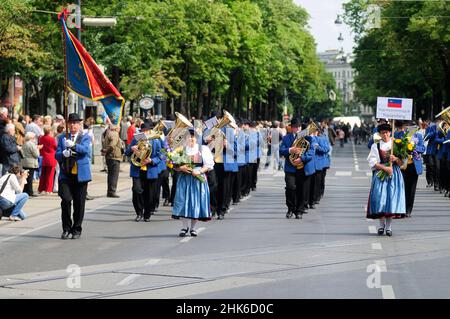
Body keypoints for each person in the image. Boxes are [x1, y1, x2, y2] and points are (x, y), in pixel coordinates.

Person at [55, 113, 92, 239]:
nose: (72, 125)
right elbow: (57, 154)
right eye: (70, 122)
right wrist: (63, 154)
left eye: (75, 123)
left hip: (80, 174)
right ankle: (66, 228)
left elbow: (86, 150)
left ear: (79, 124)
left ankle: (76, 229)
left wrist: (74, 145)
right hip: (66, 174)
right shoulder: (62, 138)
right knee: (65, 200)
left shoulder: (85, 136)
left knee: (79, 203)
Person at [172, 127, 214, 237]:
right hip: (184, 179)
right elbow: (174, 165)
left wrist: (199, 171)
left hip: (197, 179)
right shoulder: (181, 149)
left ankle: (193, 228)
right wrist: (181, 168)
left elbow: (209, 165)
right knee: (183, 201)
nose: (191, 139)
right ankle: (184, 227)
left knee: (196, 202)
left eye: (193, 137)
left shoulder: (203, 149)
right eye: (189, 137)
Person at [367, 122, 406, 236]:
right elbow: (372, 162)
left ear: (390, 132)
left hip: (394, 174)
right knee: (380, 199)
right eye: (383, 133)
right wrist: (384, 168)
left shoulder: (396, 144)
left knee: (391, 199)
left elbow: (402, 163)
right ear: (379, 134)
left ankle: (389, 227)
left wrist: (396, 159)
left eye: (387, 132)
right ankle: (381, 225)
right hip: (381, 174)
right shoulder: (376, 145)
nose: (385, 135)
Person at [125, 121, 162, 222]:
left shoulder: (156, 141)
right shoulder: (136, 139)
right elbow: (127, 152)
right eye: (143, 131)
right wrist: (132, 149)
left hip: (150, 170)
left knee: (150, 195)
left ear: (150, 131)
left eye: (147, 131)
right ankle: (139, 212)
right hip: (137, 170)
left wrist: (151, 160)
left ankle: (147, 214)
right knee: (137, 191)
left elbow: (161, 156)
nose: (145, 133)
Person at [279, 119, 314, 219]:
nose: (297, 128)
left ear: (300, 127)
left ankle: (299, 211)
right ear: (291, 128)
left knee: (301, 189)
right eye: (294, 127)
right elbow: (281, 150)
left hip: (302, 167)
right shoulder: (286, 138)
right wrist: (290, 150)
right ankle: (290, 208)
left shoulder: (308, 138)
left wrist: (302, 158)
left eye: (298, 127)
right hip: (290, 168)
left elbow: (311, 152)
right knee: (290, 188)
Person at [102, 124, 122, 198]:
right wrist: (107, 150)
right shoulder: (115, 133)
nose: (120, 128)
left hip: (110, 157)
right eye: (119, 127)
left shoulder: (108, 132)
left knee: (110, 174)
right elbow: (112, 145)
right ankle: (112, 191)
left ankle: (110, 191)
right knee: (114, 175)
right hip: (114, 156)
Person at [38, 126, 57, 195]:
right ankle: (48, 189)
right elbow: (55, 147)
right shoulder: (52, 139)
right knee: (50, 175)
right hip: (51, 157)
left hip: (44, 157)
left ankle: (41, 189)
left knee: (43, 174)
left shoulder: (41, 138)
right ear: (50, 131)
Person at [21, 132, 40, 197]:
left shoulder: (25, 143)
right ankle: (30, 192)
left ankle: (25, 191)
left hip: (24, 162)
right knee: (30, 178)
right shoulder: (32, 144)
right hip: (31, 162)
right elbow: (36, 154)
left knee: (26, 177)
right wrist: (38, 148)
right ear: (32, 138)